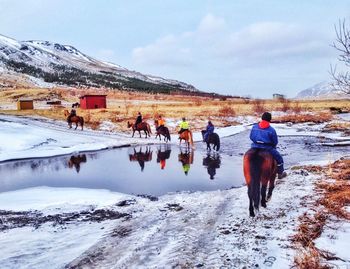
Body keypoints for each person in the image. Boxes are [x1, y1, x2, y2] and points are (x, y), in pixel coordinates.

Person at [250, 112, 287, 179]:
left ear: (262, 118)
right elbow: (275, 142)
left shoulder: (254, 127)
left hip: (254, 147)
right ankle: (280, 173)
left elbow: (251, 137)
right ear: (270, 119)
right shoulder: (271, 130)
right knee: (279, 158)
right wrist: (272, 146)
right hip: (267, 148)